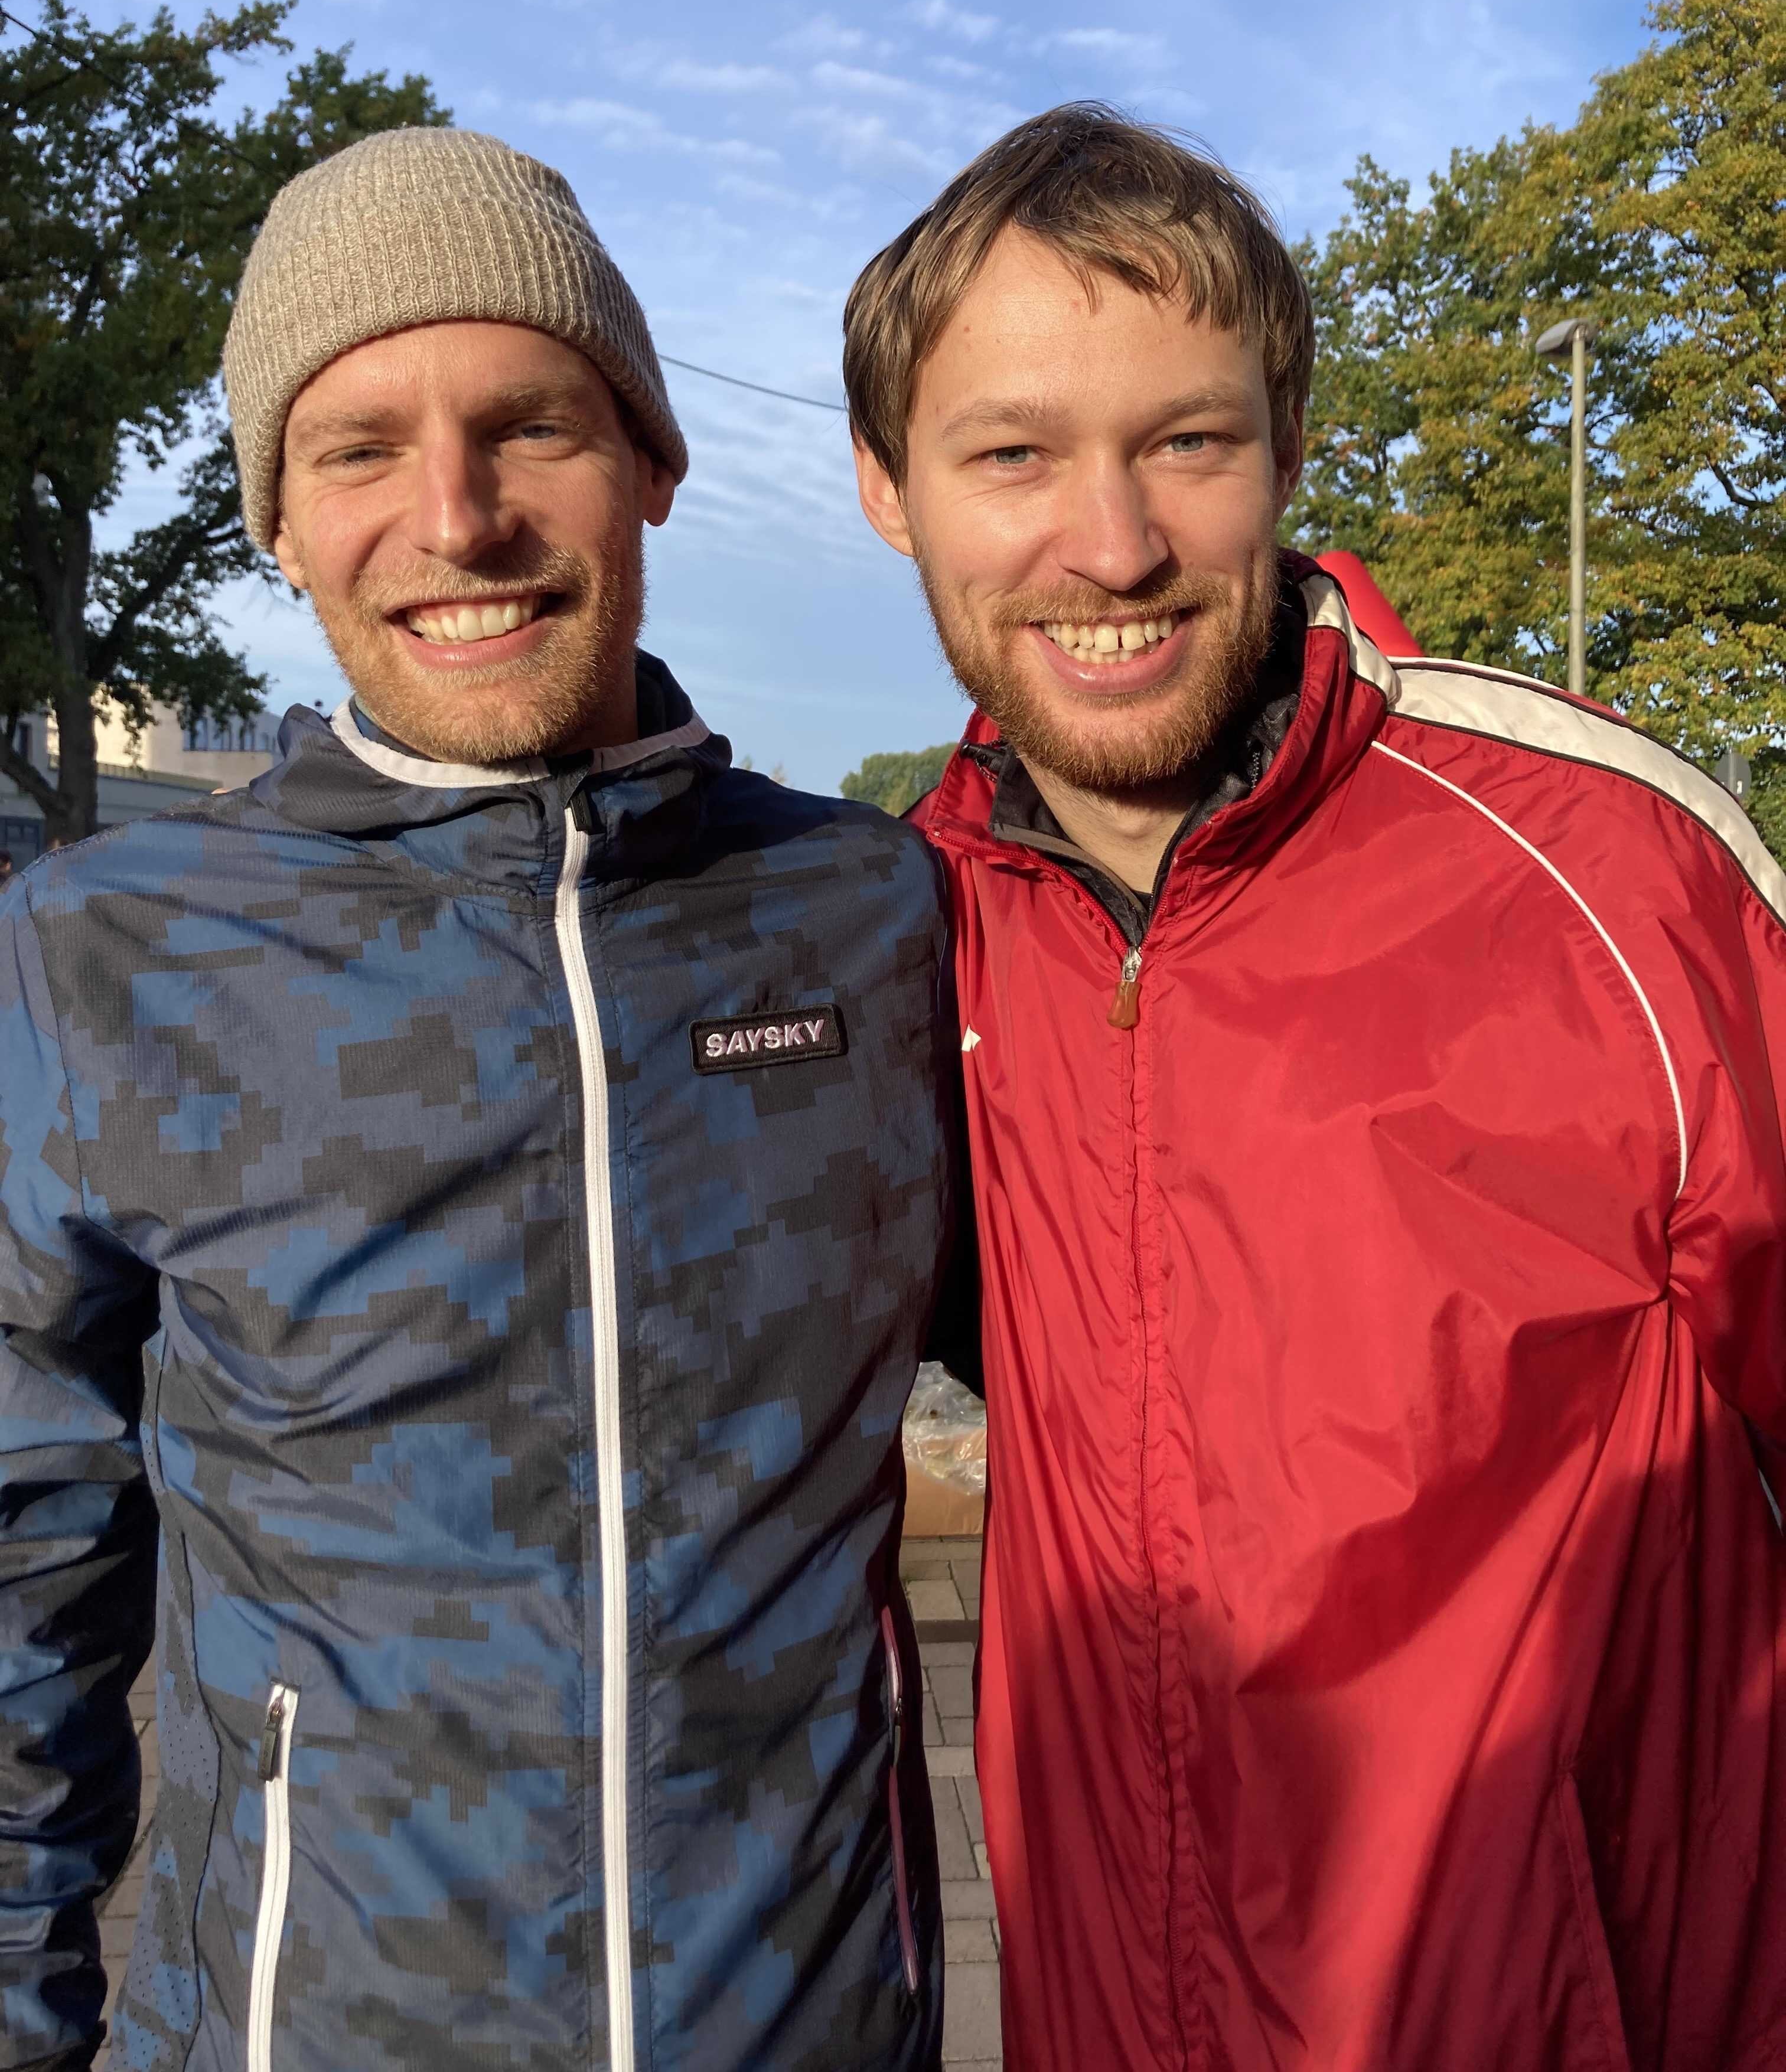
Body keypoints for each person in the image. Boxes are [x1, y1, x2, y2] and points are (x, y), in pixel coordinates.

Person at [0, 128, 964, 2072]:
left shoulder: (866, 912)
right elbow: (20, 1567)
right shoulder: (102, 949)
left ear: (654, 467)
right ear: (280, 519)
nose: (457, 516)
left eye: (529, 424)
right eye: (358, 449)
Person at [849, 103, 1786, 2072]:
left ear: (1282, 450)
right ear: (889, 489)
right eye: (1012, 453)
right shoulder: (895, 933)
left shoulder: (1615, 871)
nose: (1111, 545)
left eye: (1184, 441)